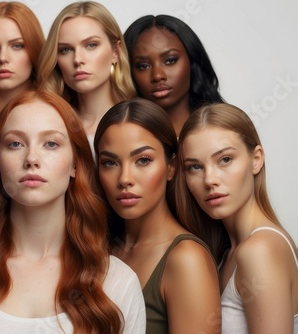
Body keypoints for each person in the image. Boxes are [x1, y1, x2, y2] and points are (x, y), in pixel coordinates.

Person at [0, 90, 146, 333]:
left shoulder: (118, 282)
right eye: (15, 143)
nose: (32, 158)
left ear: (75, 165)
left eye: (51, 143)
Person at [94, 98, 220, 333]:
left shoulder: (186, 259)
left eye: (143, 160)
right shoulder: (101, 247)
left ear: (171, 167)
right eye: (110, 162)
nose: (124, 179)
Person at [175, 103, 298, 333]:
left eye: (225, 159)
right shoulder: (225, 253)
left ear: (256, 159)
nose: (209, 179)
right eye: (195, 167)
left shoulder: (259, 250)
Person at [37, 1, 135, 147]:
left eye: (91, 45)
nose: (77, 60)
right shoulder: (47, 124)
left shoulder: (139, 120)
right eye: (66, 50)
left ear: (116, 51)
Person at [123, 15, 224, 136]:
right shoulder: (125, 137)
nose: (157, 75)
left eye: (170, 60)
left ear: (192, 61)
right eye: (143, 66)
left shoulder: (228, 130)